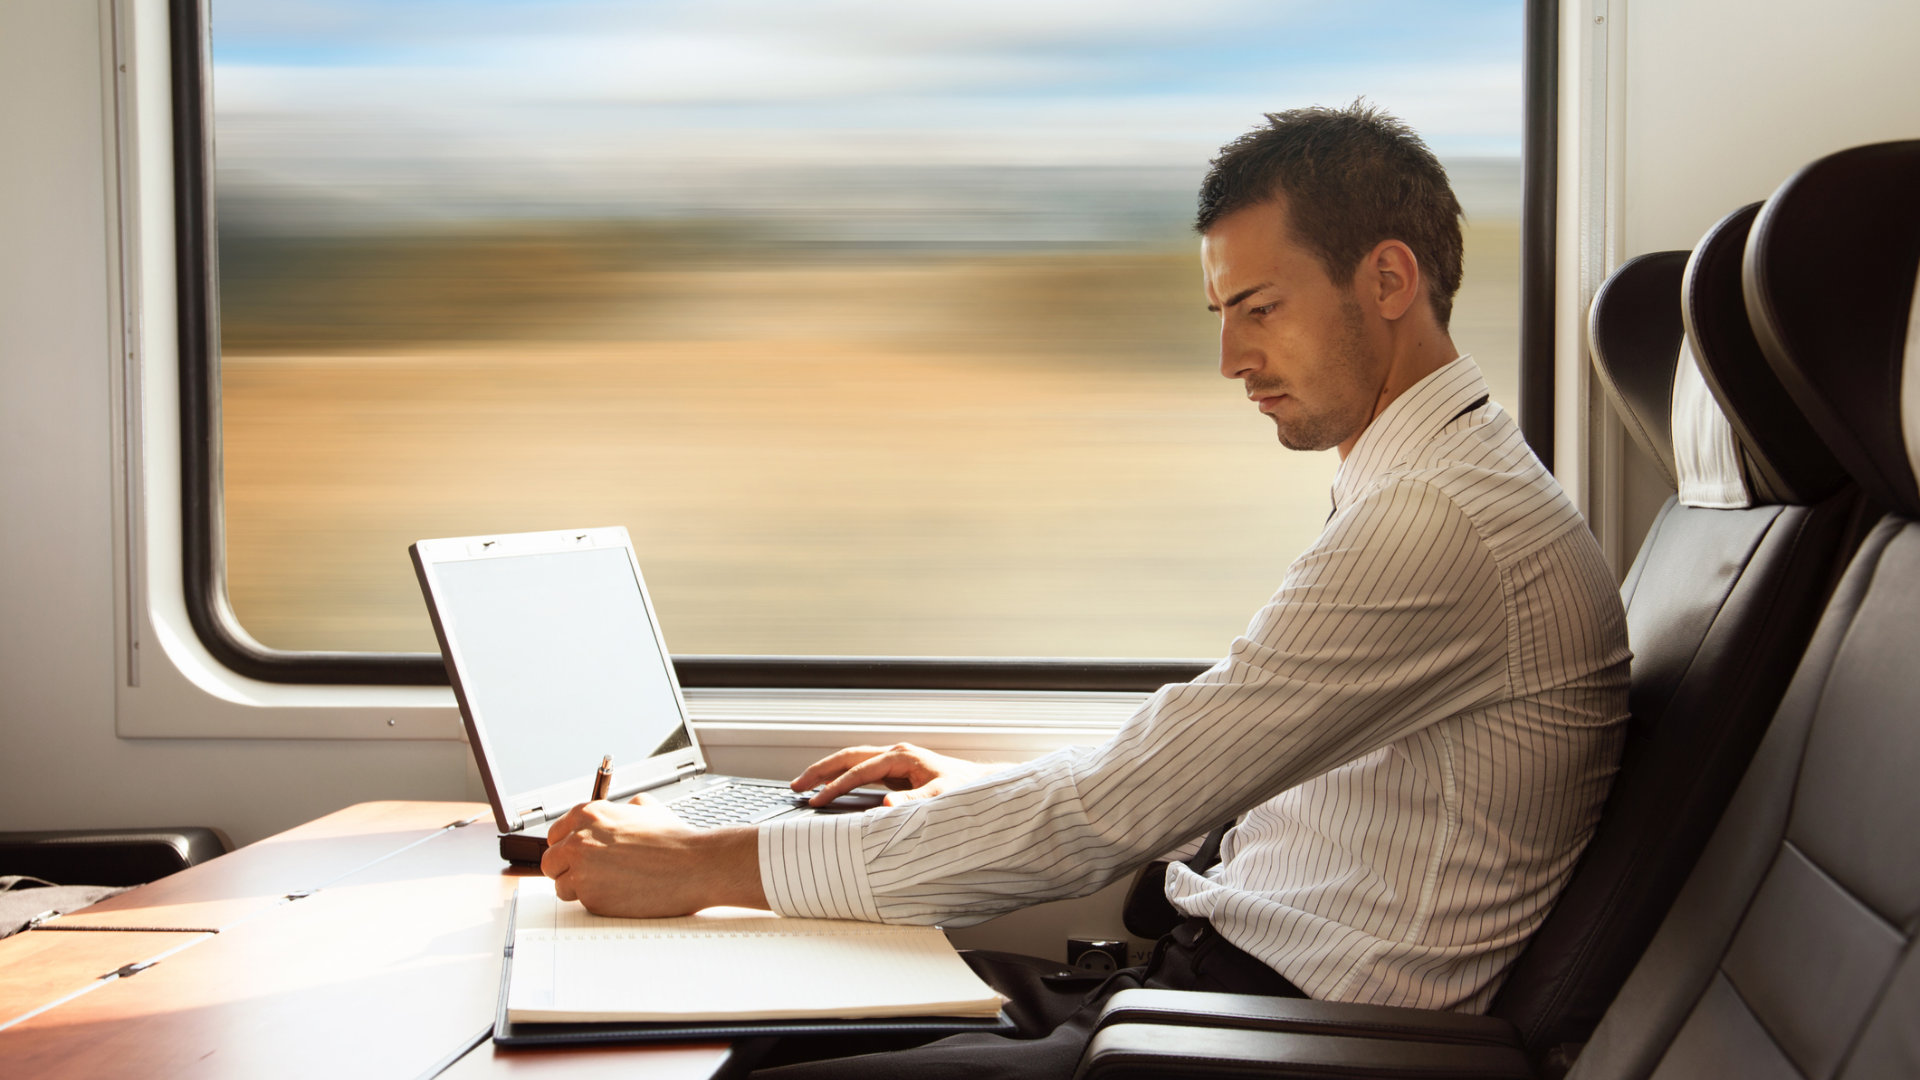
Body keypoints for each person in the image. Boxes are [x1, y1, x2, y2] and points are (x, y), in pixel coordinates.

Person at [540, 102, 1631, 1079]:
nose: (1229, 359)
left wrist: (706, 865)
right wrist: (964, 784)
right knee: (754, 1026)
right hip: (1214, 1005)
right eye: (1220, 313)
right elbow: (1191, 760)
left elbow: (1124, 806)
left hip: (1268, 1046)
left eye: (1257, 306)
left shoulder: (1440, 522)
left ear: (1387, 281)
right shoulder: (1427, 479)